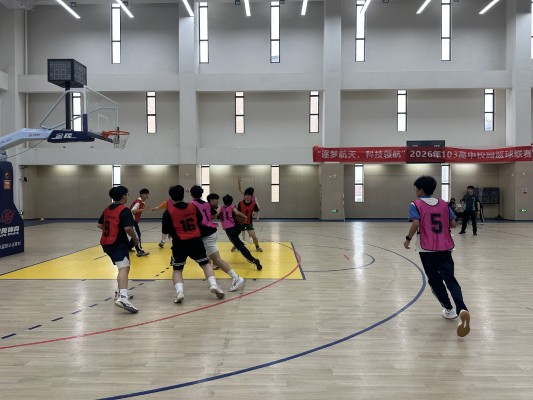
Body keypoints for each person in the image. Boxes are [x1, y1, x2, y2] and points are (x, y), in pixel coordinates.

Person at [403, 175, 470, 337]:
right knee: (450, 279)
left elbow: (416, 223)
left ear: (421, 190)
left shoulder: (415, 204)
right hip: (445, 247)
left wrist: (408, 239)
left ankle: (449, 309)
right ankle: (462, 309)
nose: (415, 191)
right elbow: (453, 224)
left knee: (435, 280)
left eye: (416, 188)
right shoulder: (443, 204)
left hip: (426, 249)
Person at [162, 185, 225, 303]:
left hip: (179, 243)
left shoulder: (169, 212)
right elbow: (199, 220)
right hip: (196, 240)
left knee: (177, 269)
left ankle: (179, 292)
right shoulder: (192, 207)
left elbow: (165, 230)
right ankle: (213, 284)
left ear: (171, 197)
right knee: (205, 264)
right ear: (183, 195)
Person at [190, 186, 245, 292]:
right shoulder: (206, 204)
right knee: (208, 260)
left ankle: (235, 278)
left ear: (191, 194)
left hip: (206, 235)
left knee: (214, 260)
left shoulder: (191, 205)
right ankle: (213, 282)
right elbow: (215, 216)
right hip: (211, 232)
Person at [97, 185, 139, 313]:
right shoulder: (124, 210)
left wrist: (111, 231)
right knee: (124, 268)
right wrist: (135, 239)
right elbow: (128, 228)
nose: (127, 196)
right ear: (123, 196)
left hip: (106, 243)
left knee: (123, 267)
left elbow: (99, 225)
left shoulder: (107, 209)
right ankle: (123, 298)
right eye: (127, 194)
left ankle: (119, 292)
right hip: (117, 243)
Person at [220, 194, 263, 270]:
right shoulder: (232, 207)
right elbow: (237, 212)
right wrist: (245, 216)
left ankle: (253, 259)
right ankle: (237, 243)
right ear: (231, 201)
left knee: (240, 246)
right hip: (236, 227)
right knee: (236, 241)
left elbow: (235, 213)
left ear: (223, 201)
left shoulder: (221, 208)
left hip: (230, 230)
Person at [237, 187, 263, 252]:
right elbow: (237, 212)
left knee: (254, 237)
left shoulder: (254, 204)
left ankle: (257, 247)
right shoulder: (240, 203)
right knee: (235, 236)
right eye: (246, 195)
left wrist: (257, 217)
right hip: (240, 223)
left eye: (248, 195)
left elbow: (257, 211)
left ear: (251, 196)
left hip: (249, 223)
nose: (247, 197)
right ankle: (236, 245)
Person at [237, 177, 259, 244]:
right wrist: (239, 182)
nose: (247, 196)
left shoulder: (254, 198)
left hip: (250, 212)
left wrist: (256, 214)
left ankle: (250, 237)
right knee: (242, 226)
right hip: (243, 211)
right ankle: (243, 239)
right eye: (246, 195)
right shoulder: (245, 196)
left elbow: (257, 205)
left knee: (249, 225)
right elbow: (239, 189)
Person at [129, 188, 150, 256]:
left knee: (135, 235)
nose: (147, 195)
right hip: (132, 221)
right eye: (146, 194)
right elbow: (132, 210)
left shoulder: (142, 202)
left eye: (148, 194)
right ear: (141, 195)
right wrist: (143, 209)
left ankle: (128, 247)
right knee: (137, 235)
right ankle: (139, 250)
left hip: (134, 221)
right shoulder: (138, 202)